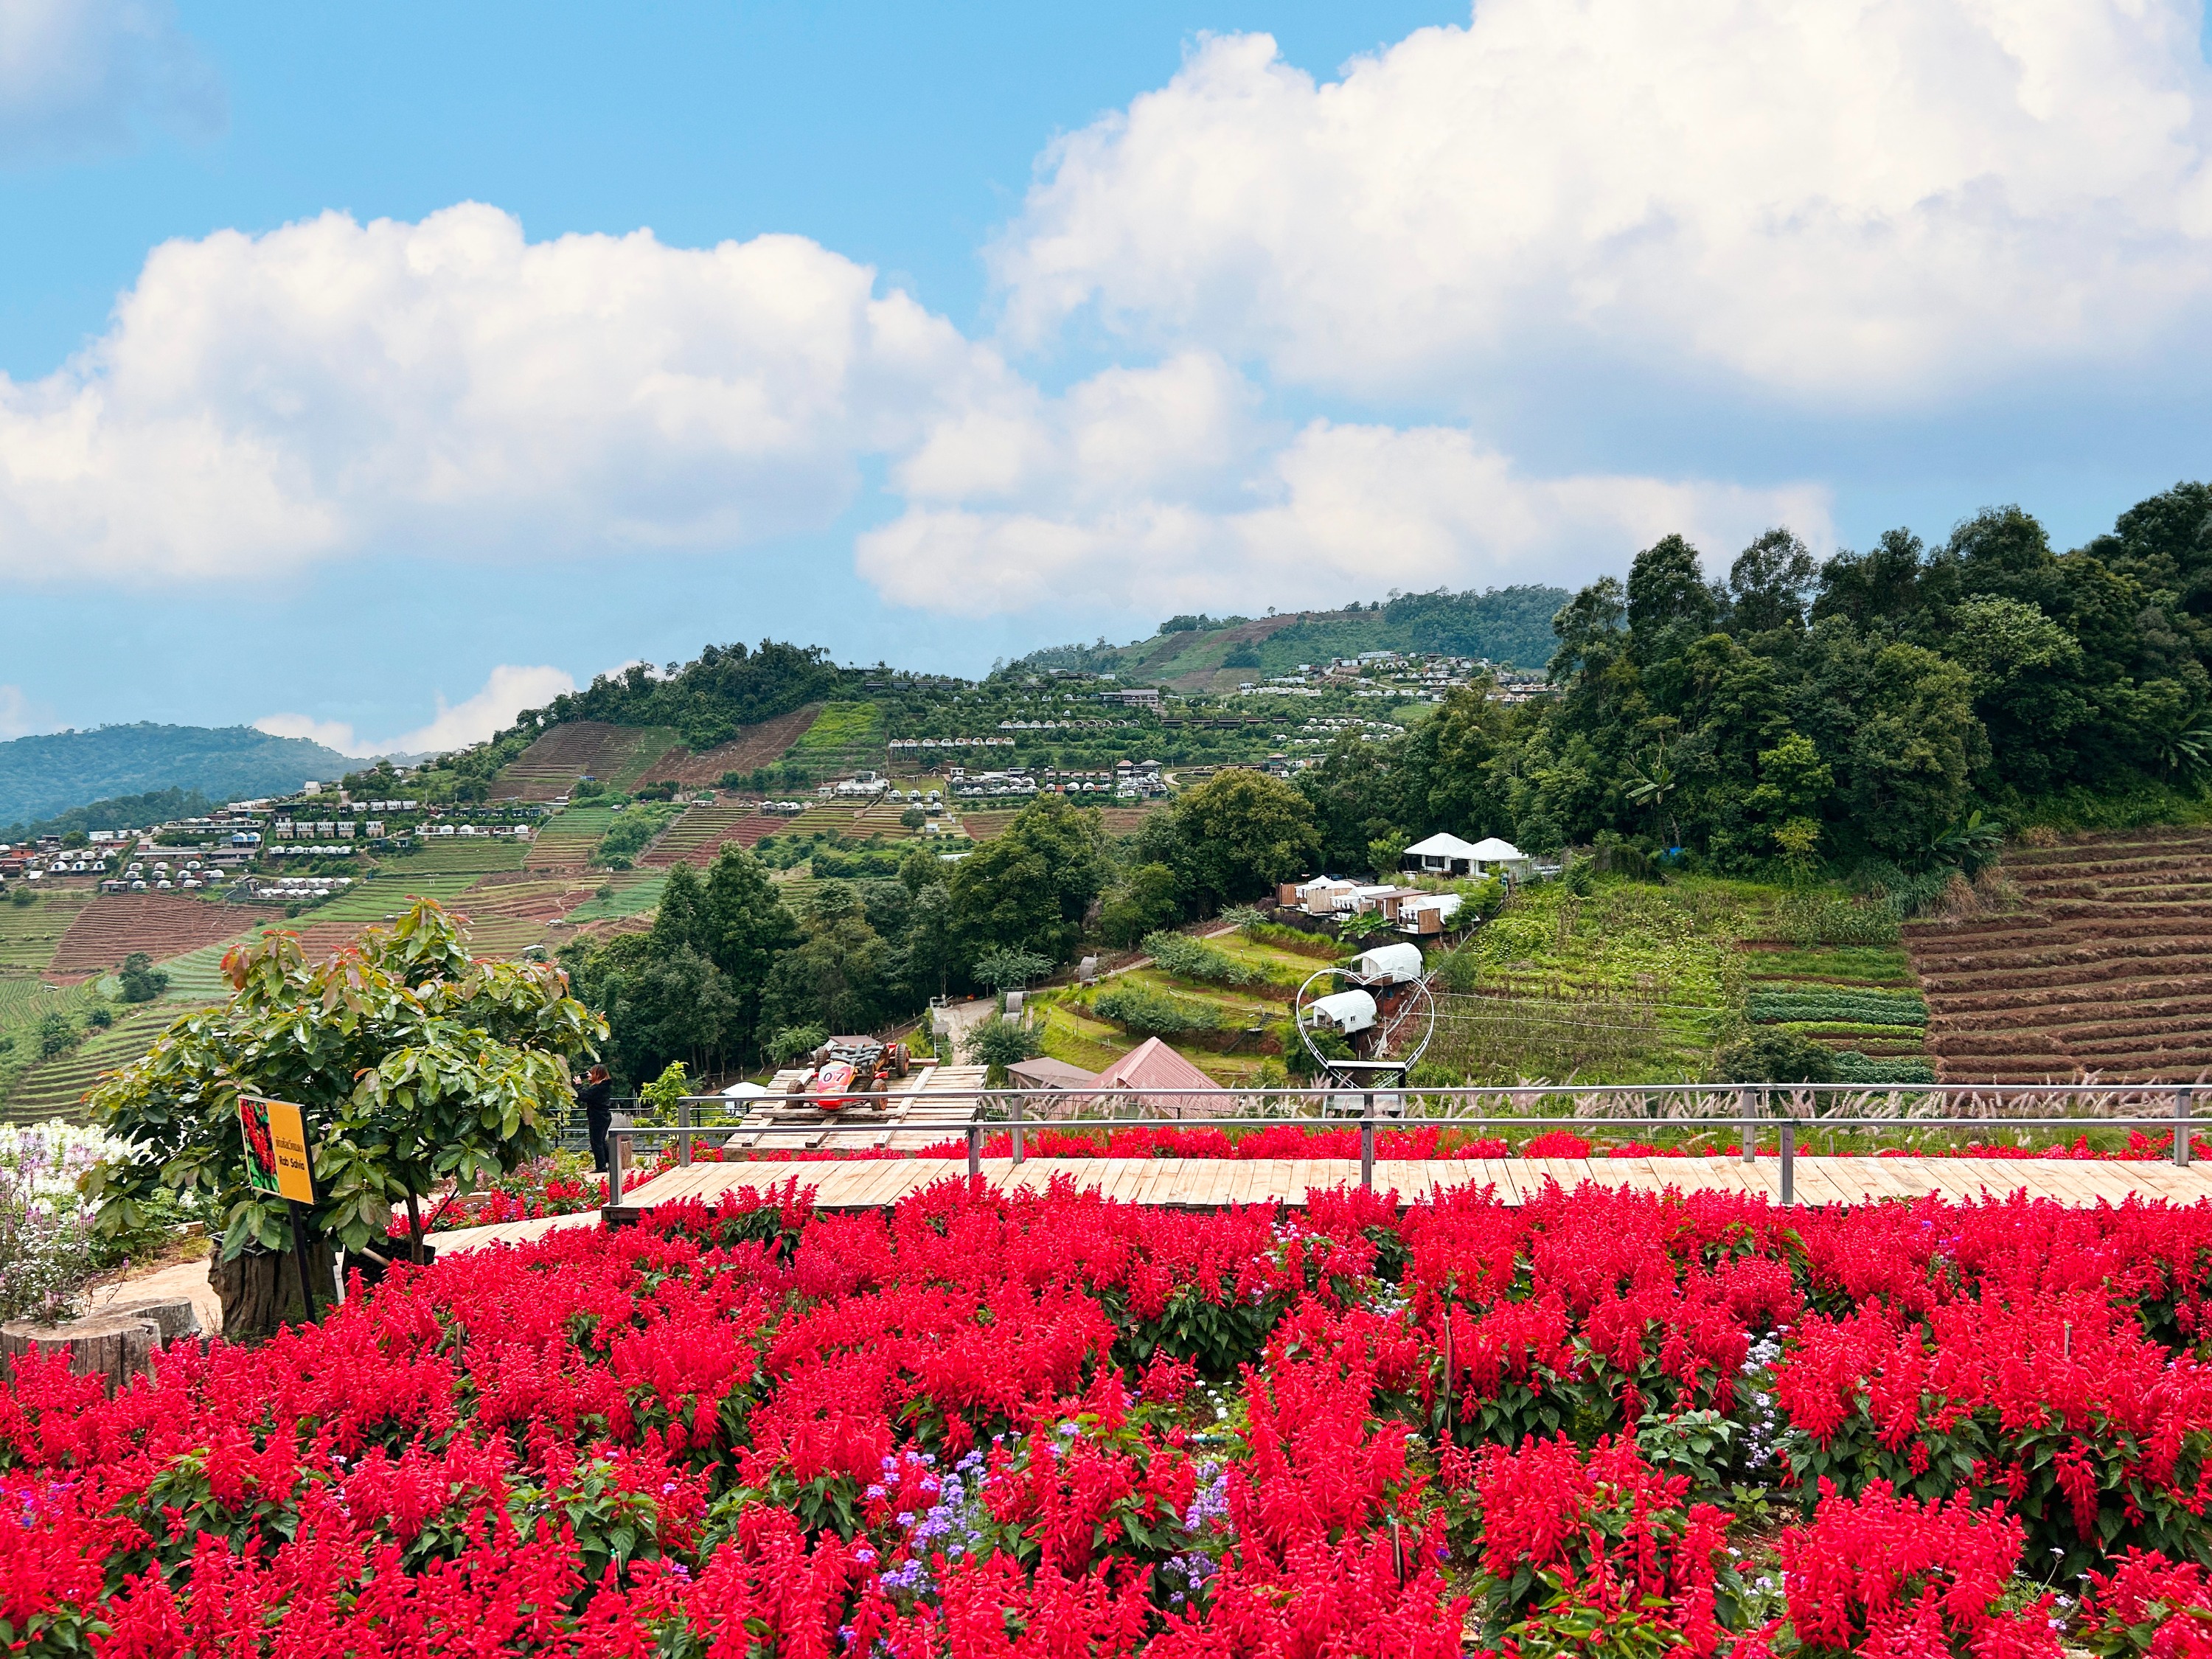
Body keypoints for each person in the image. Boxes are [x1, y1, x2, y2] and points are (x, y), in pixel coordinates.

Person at [575, 1064, 614, 1172]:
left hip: (598, 1117)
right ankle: (610, 1161)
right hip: (603, 1116)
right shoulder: (603, 1086)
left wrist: (578, 1085)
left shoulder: (599, 1088)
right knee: (600, 1141)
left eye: (592, 1073)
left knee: (596, 1142)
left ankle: (601, 1166)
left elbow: (584, 1096)